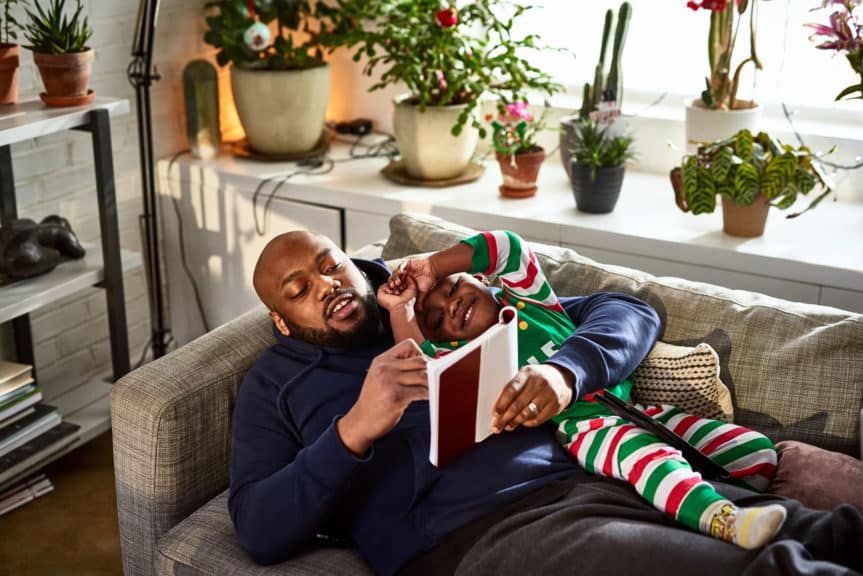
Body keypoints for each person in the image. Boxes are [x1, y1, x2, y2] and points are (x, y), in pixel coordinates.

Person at [229, 229, 863, 576]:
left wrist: (566, 372)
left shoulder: (436, 296)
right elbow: (258, 528)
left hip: (618, 467)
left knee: (832, 532)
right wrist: (352, 432)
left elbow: (626, 312)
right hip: (489, 533)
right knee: (772, 569)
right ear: (283, 321)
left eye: (329, 265)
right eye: (300, 290)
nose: (329, 288)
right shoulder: (276, 387)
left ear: (352, 263)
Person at [379, 229, 784, 549]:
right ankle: (721, 518)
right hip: (588, 433)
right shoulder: (466, 362)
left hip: (639, 410)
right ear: (444, 341)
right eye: (436, 319)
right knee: (651, 460)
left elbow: (506, 247)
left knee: (758, 452)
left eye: (453, 288)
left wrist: (432, 267)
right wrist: (401, 309)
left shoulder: (532, 302)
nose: (449, 306)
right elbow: (414, 364)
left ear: (481, 278)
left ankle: (700, 510)